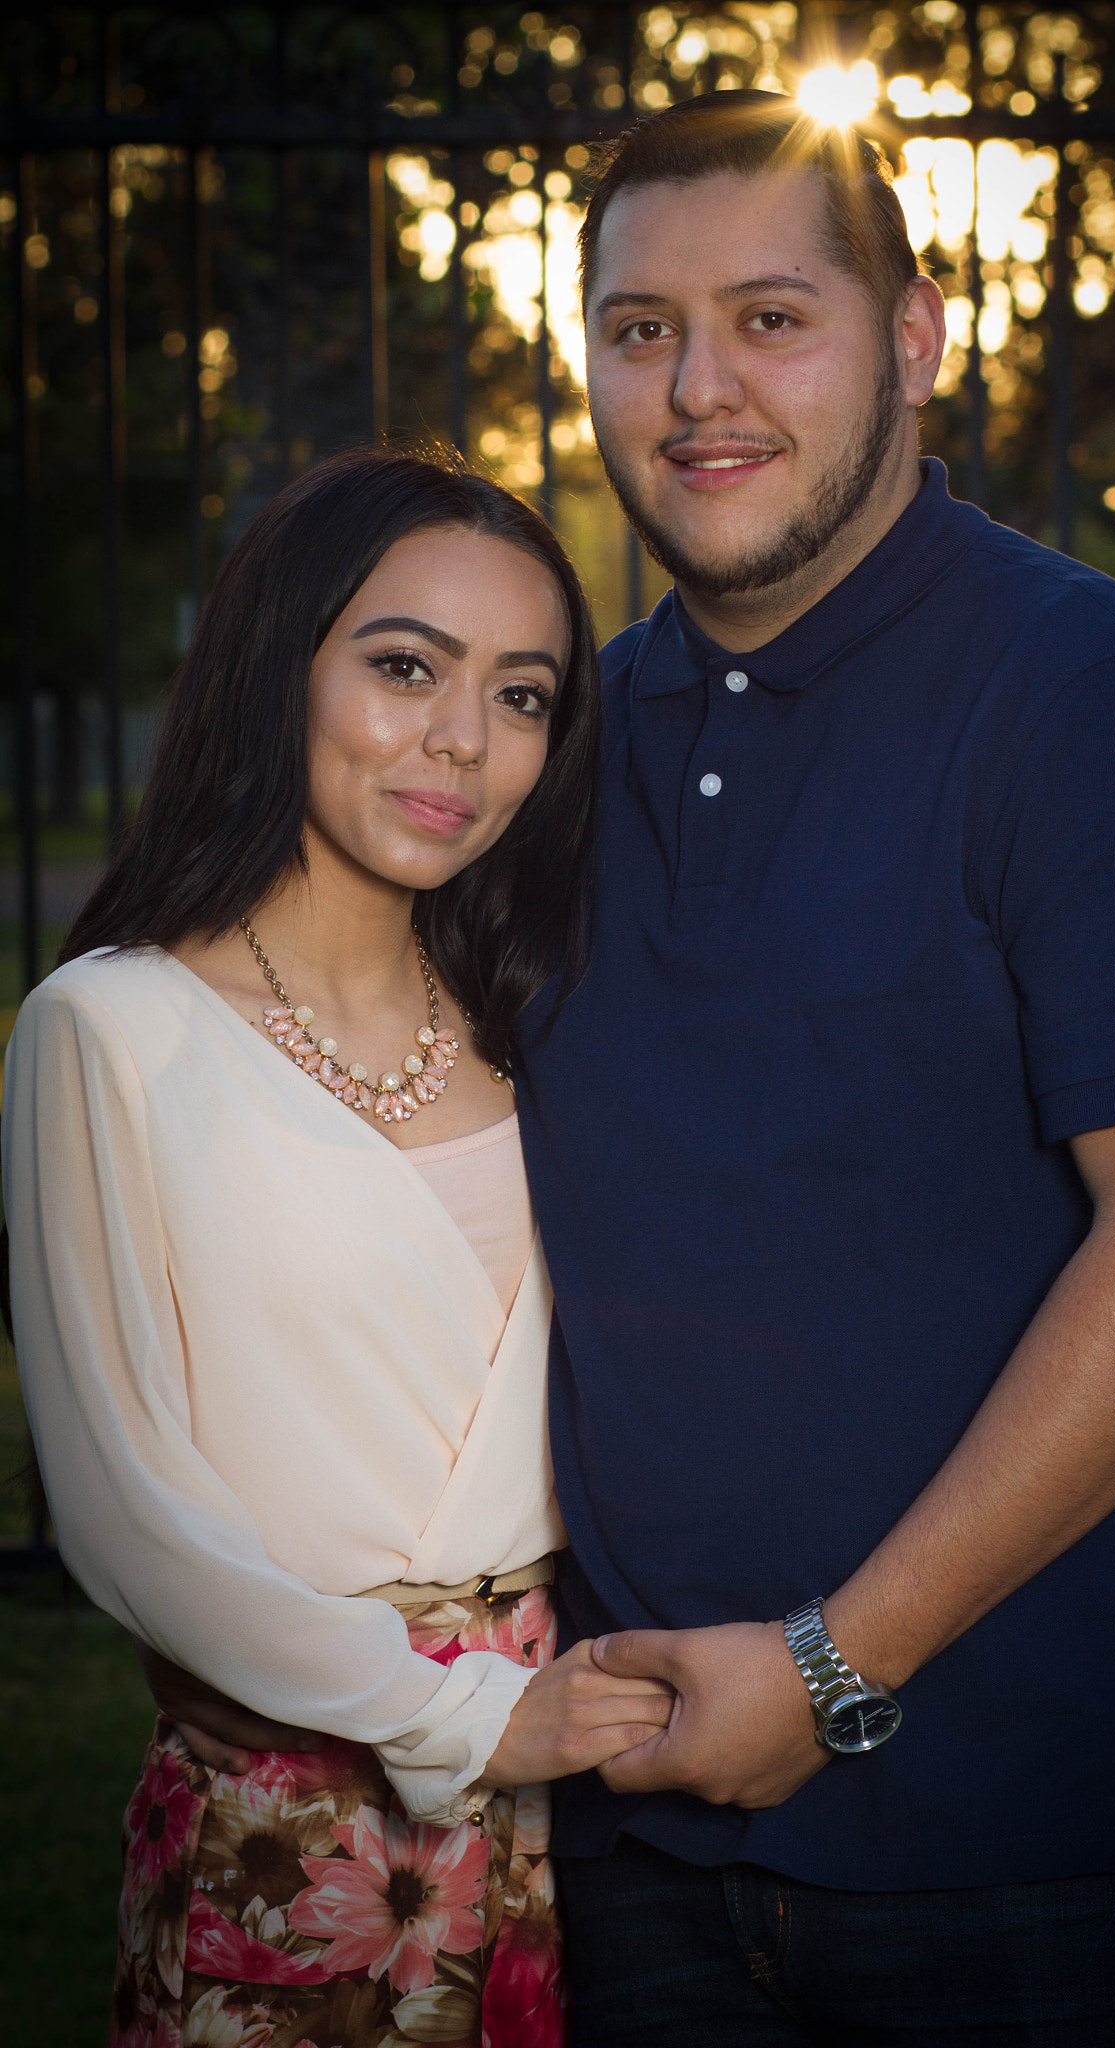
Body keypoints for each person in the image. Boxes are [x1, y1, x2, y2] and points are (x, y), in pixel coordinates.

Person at [147, 93, 1115, 2045]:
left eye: (772, 317)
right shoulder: (554, 740)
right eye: (635, 328)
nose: (697, 389)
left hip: (1017, 1843)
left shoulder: (1090, 702)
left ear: (917, 336)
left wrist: (833, 1667)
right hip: (630, 1837)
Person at [2, 448, 674, 2048]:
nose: (464, 739)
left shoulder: (537, 1022)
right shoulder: (109, 1028)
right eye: (402, 667)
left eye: (522, 697)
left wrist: (545, 1721)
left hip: (580, 1805)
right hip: (289, 1820)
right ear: (274, 666)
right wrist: (463, 1717)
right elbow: (127, 1515)